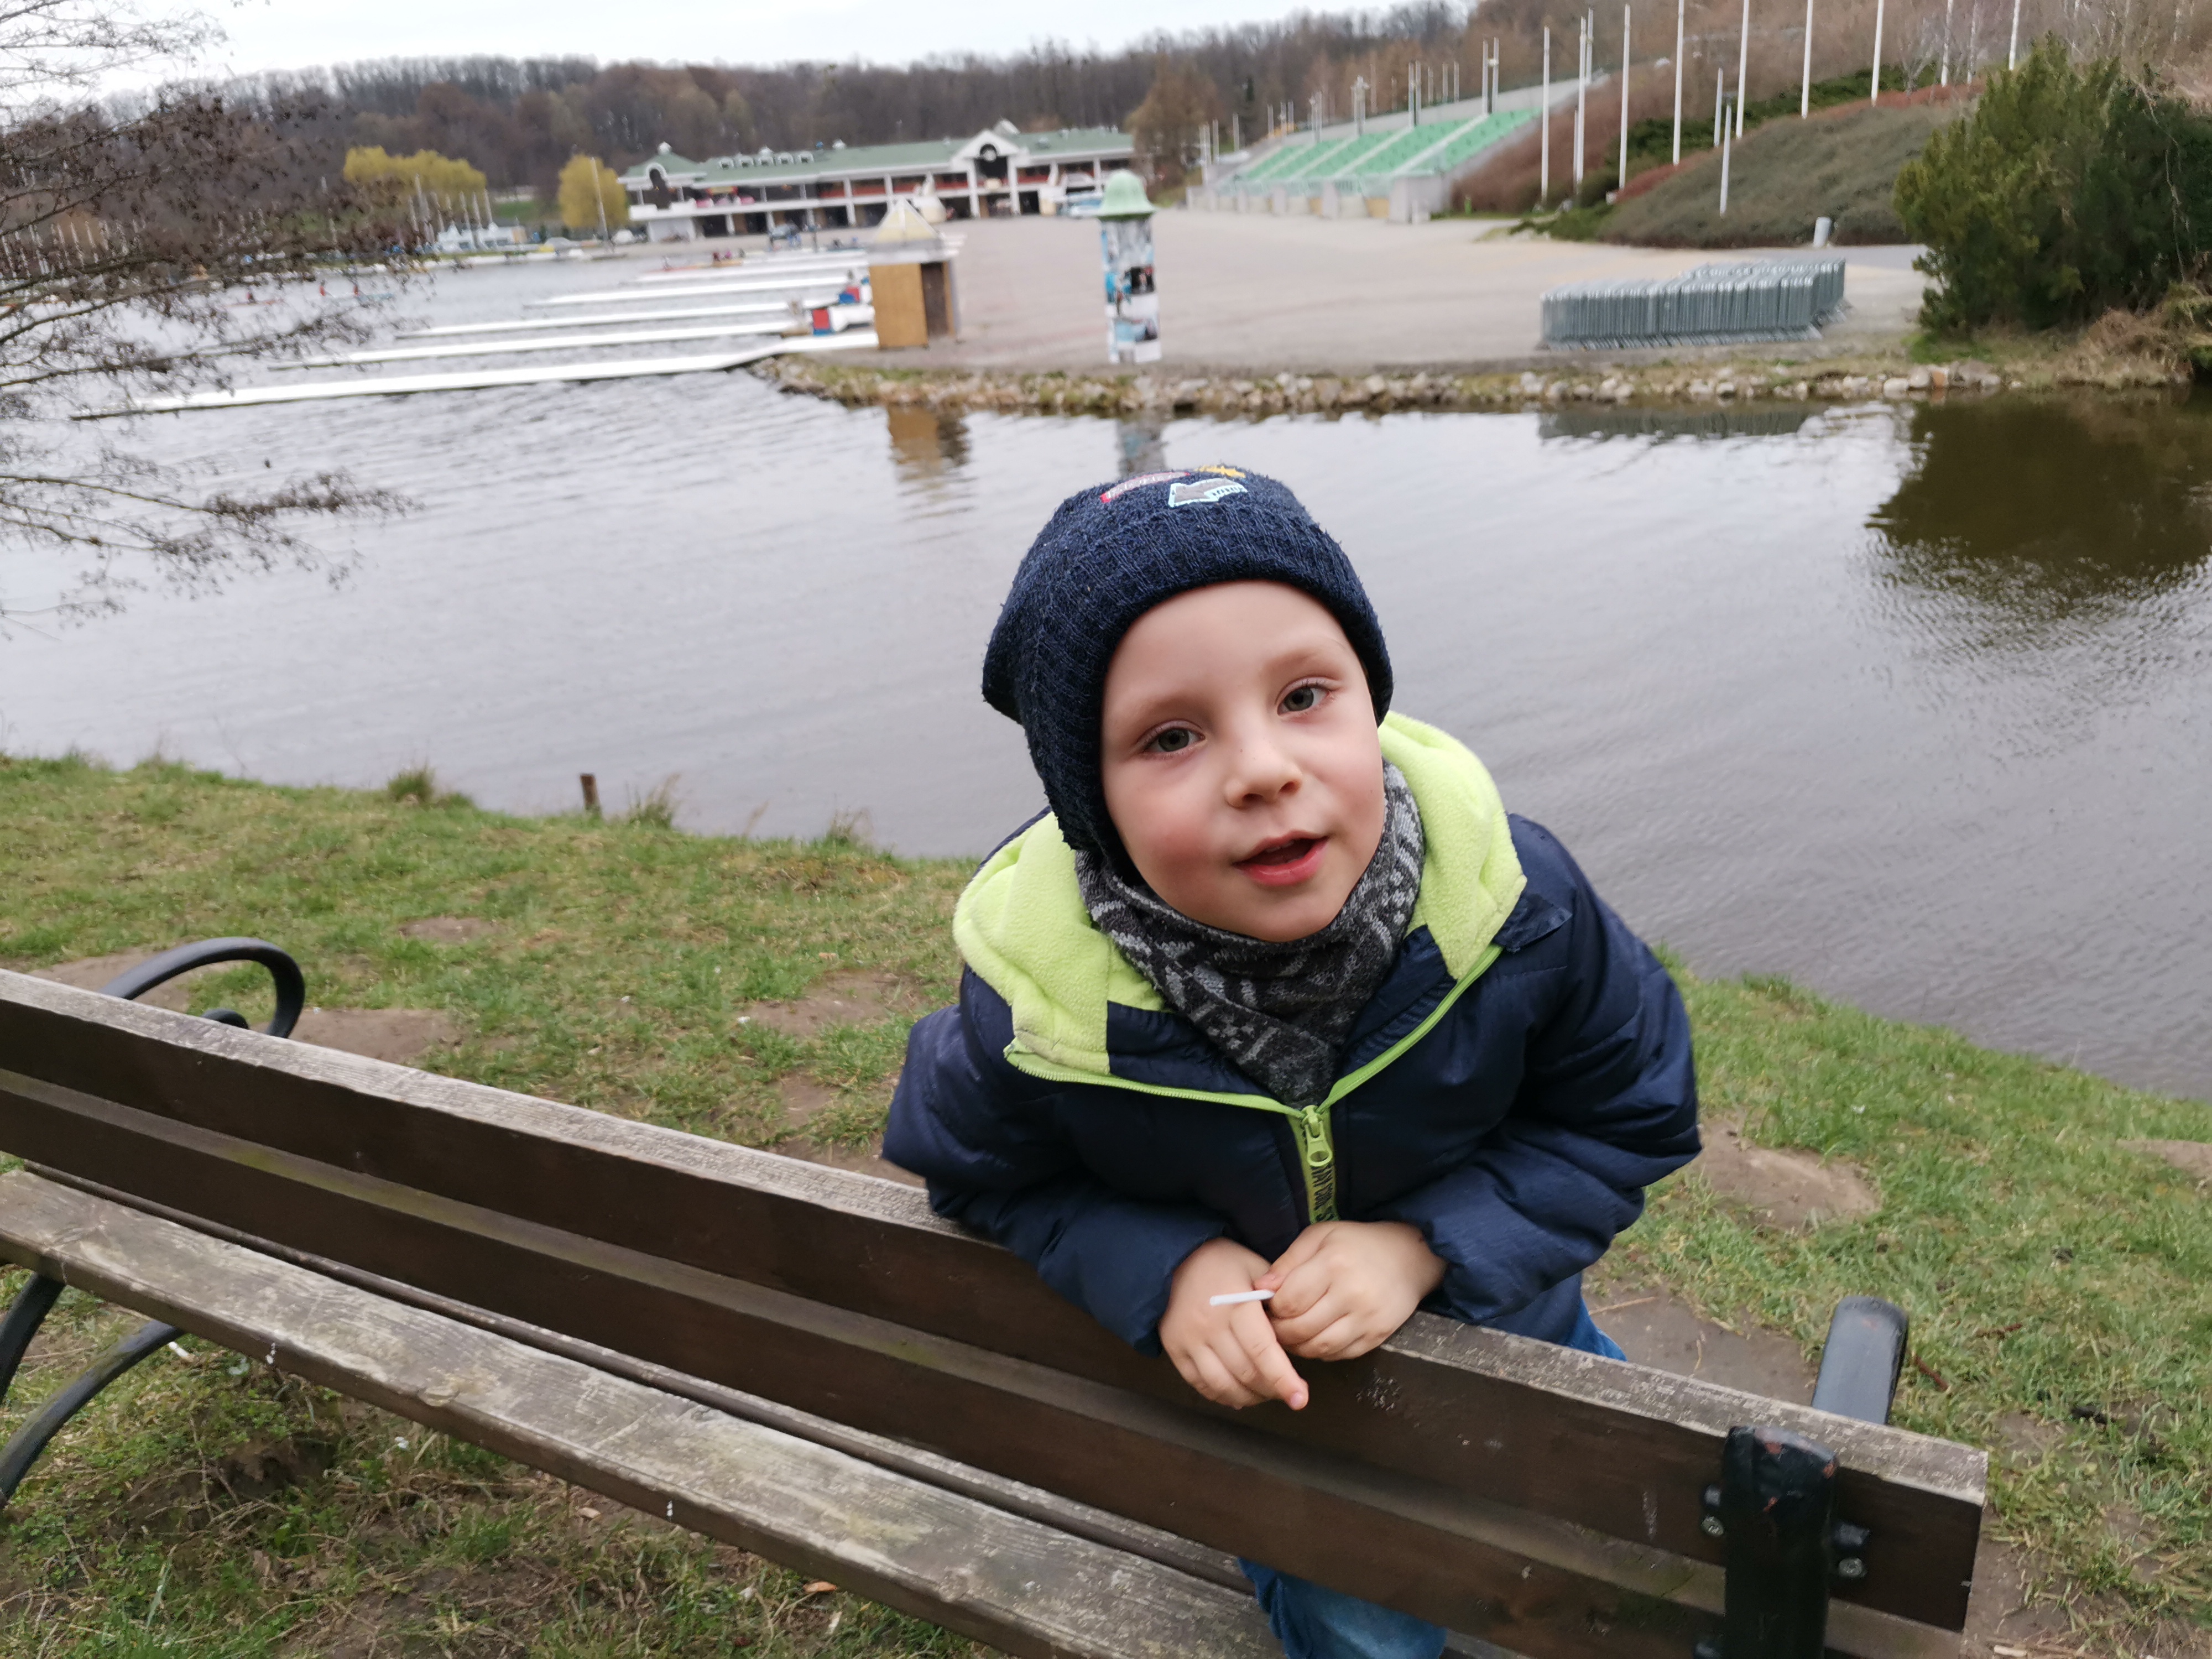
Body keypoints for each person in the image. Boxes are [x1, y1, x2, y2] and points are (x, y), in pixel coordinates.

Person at [884, 466, 1699, 1659]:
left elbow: (1628, 1112)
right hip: (1295, 1421)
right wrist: (1165, 1267)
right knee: (1360, 1620)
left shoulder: (1514, 906)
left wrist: (1426, 1245)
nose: (1263, 768)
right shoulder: (1042, 1000)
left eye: (1305, 695)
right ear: (1088, 800)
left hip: (1518, 1332)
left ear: (1370, 697)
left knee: (1647, 1572)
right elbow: (981, 1173)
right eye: (1171, 736)